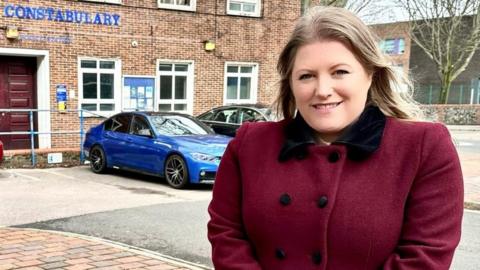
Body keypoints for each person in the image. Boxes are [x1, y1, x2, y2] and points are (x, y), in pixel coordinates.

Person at [207, 6, 463, 270]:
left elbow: (424, 257)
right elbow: (226, 234)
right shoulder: (249, 145)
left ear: (370, 74)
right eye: (306, 76)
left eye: (340, 72)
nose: (323, 90)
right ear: (291, 85)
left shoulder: (424, 147)